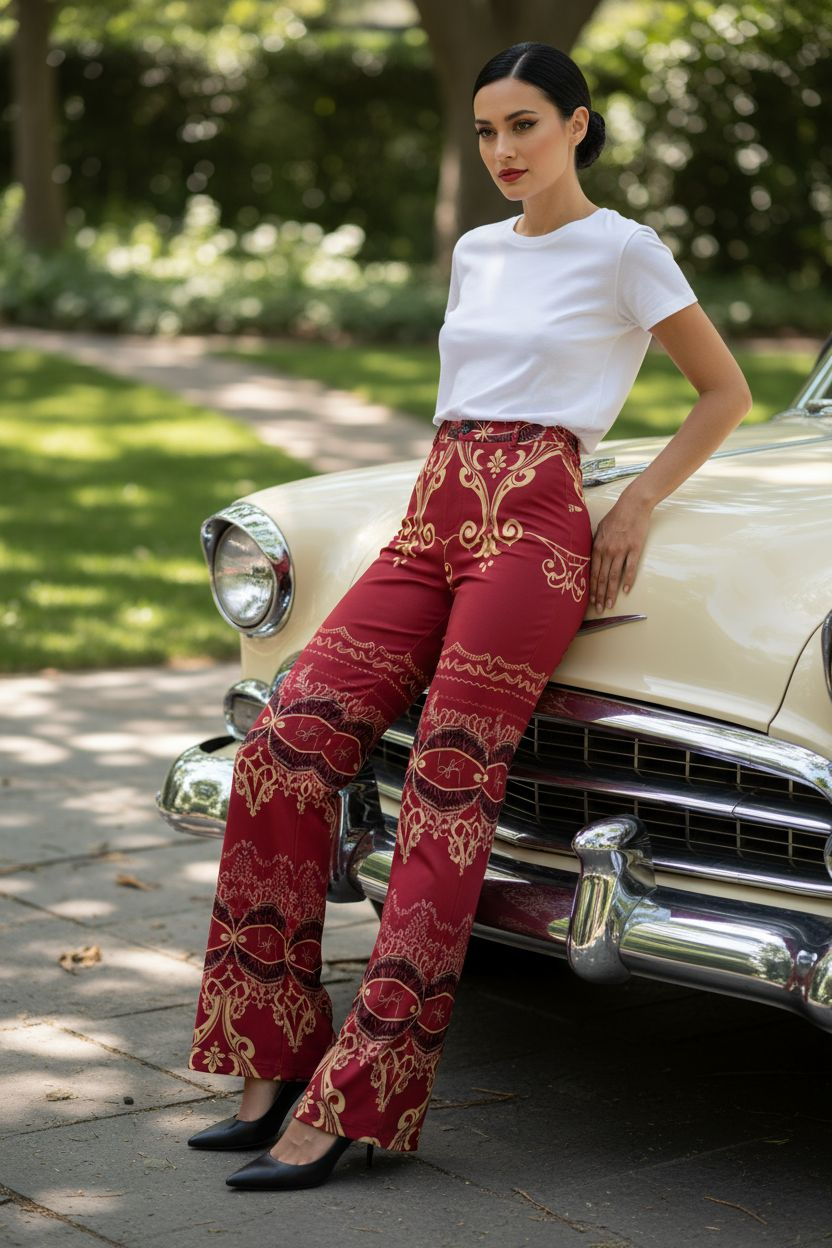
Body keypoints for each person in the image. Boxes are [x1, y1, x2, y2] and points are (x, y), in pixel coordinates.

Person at [185, 41, 752, 1192]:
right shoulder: (477, 249)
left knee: (449, 789)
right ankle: (272, 1051)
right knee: (285, 747)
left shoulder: (626, 250)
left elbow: (724, 391)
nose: (503, 150)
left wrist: (634, 503)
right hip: (432, 511)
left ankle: (363, 1101)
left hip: (535, 529)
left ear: (577, 127)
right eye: (488, 130)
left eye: (526, 125)